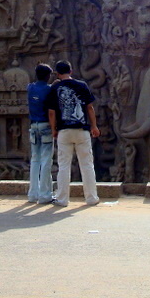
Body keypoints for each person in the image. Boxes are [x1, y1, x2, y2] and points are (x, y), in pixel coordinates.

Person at [45, 60, 101, 206]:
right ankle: (91, 198)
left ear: (57, 73)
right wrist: (94, 126)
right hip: (82, 129)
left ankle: (62, 199)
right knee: (87, 164)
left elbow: (51, 112)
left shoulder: (55, 87)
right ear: (71, 71)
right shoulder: (81, 85)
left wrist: (53, 130)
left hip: (64, 130)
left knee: (63, 166)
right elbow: (89, 108)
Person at [27, 63, 54, 204]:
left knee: (35, 159)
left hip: (33, 126)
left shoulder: (30, 88)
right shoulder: (49, 89)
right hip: (45, 126)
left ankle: (33, 194)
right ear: (47, 76)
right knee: (46, 160)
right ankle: (44, 194)